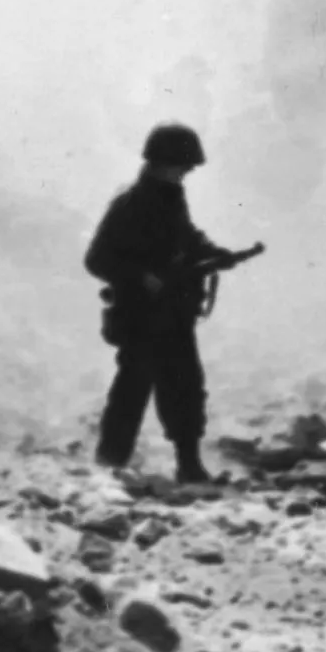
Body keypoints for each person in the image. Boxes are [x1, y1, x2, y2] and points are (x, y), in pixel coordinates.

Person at [84, 123, 233, 483]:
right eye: (182, 164)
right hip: (140, 317)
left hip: (174, 313)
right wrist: (141, 277)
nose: (187, 171)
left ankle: (189, 464)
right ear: (162, 162)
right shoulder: (130, 203)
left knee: (185, 387)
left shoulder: (171, 198)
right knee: (132, 390)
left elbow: (187, 239)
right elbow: (97, 259)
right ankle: (110, 461)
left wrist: (215, 253)